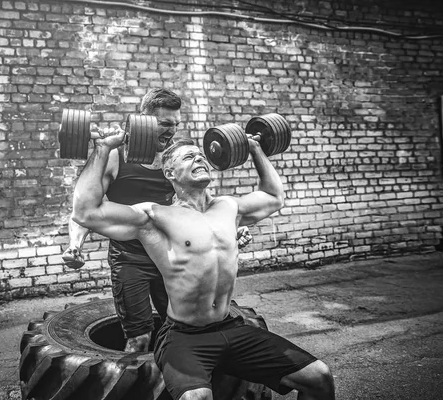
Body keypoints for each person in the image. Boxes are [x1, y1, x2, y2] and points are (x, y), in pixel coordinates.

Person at [71, 132, 336, 399]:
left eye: (201, 155)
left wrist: (255, 148)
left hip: (231, 326)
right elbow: (85, 212)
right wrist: (103, 148)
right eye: (189, 156)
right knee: (196, 398)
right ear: (170, 173)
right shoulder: (155, 216)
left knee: (319, 376)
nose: (199, 157)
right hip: (184, 337)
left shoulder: (229, 207)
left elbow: (274, 196)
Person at [61, 89, 253, 352]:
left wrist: (228, 229)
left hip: (173, 257)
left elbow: (202, 202)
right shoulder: (116, 158)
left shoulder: (176, 161)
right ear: (143, 121)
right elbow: (87, 207)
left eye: (175, 125)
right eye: (165, 124)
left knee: (183, 328)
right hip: (130, 260)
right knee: (139, 339)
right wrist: (75, 245)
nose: (172, 131)